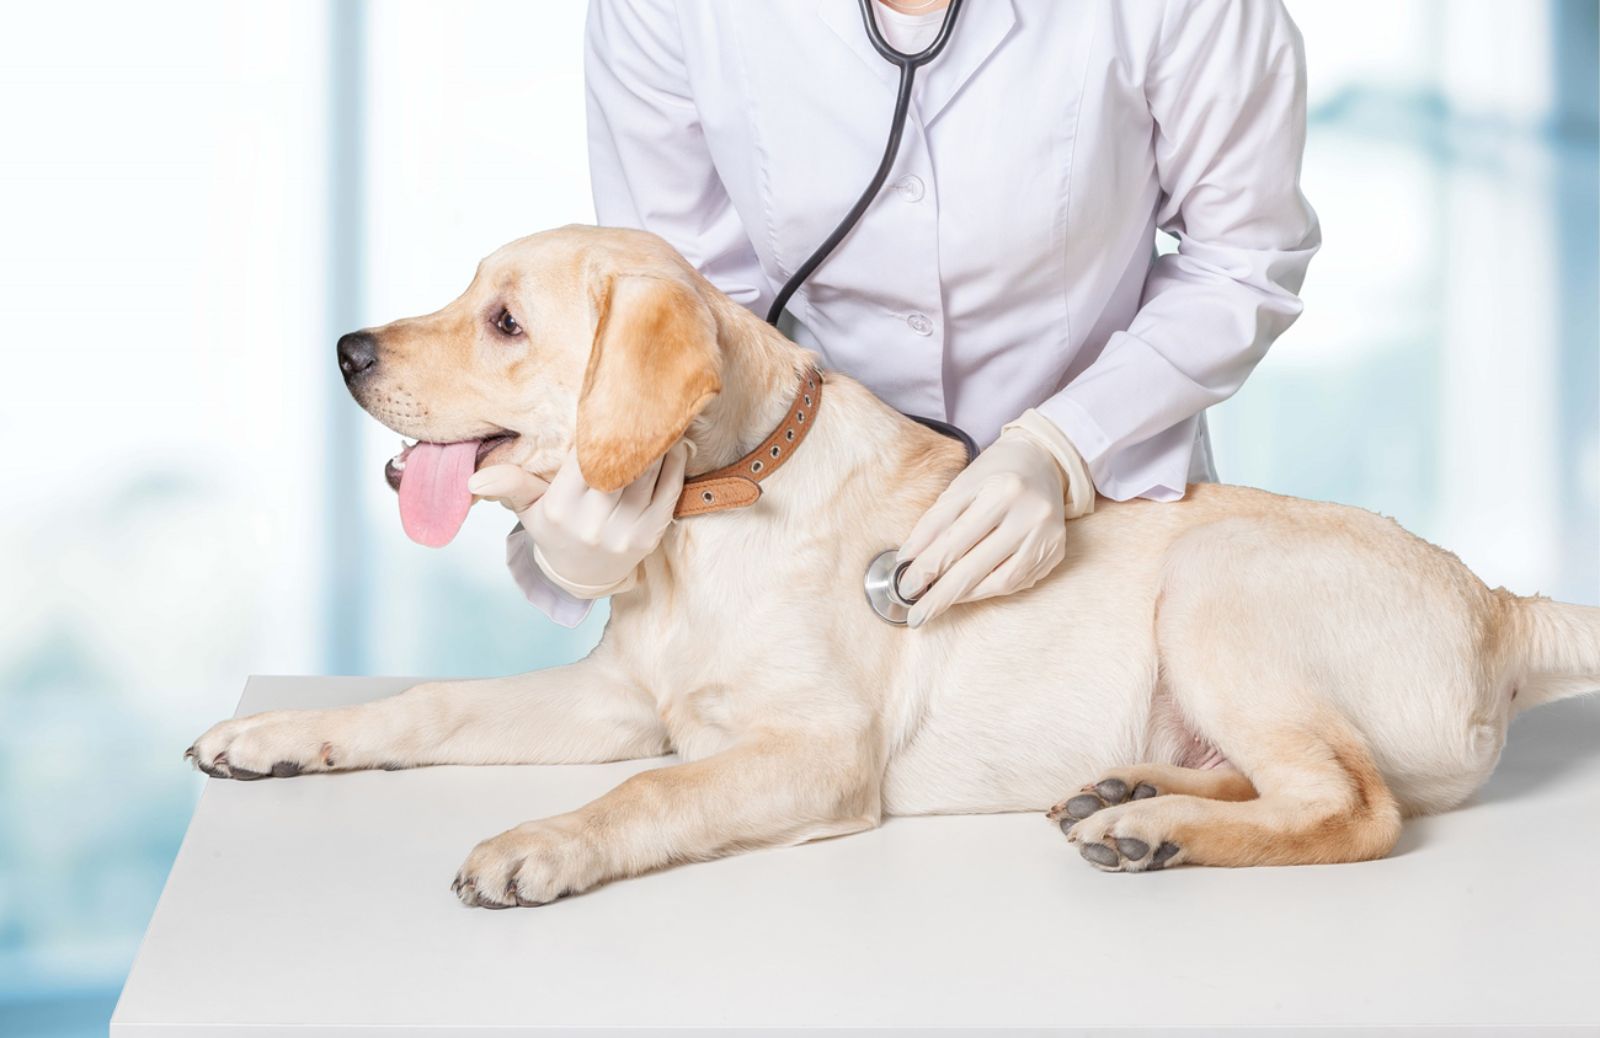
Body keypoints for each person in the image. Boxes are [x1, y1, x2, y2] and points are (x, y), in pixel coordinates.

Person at [467, 0, 1320, 629]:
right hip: (796, 525)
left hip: (1104, 516)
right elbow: (679, 314)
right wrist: (591, 542)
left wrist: (1066, 445)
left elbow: (1243, 258)